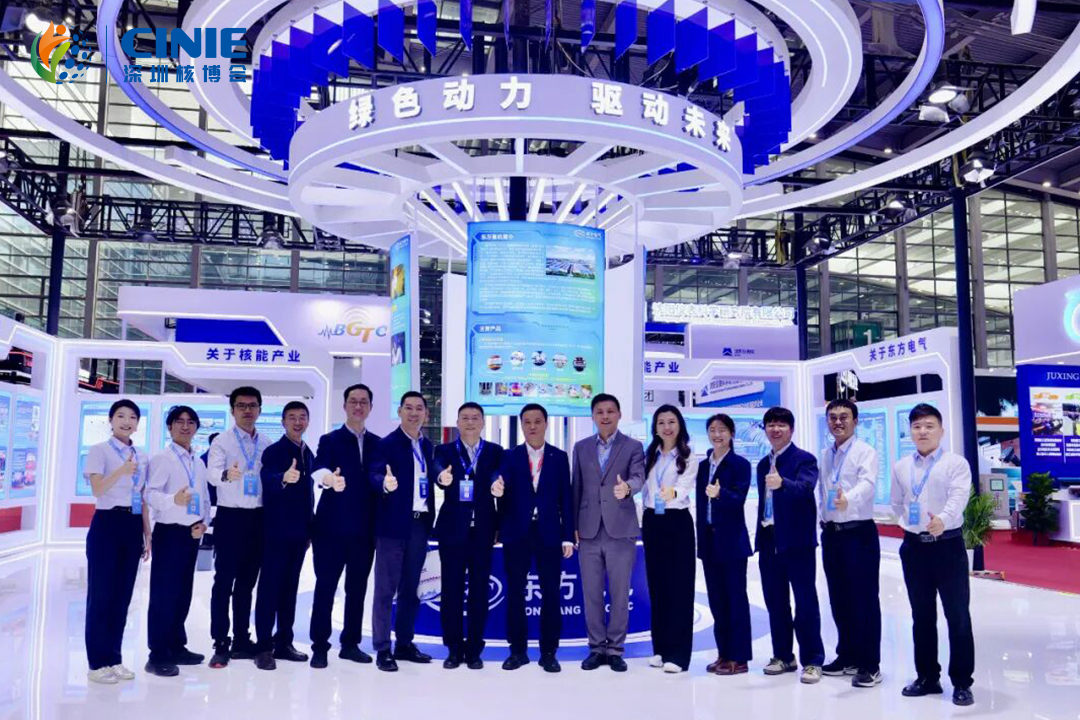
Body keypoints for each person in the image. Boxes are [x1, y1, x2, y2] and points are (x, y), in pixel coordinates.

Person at [890, 403, 975, 707]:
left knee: (957, 616)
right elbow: (896, 503)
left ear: (941, 430)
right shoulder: (901, 467)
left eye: (929, 426)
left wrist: (943, 519)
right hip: (914, 549)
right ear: (910, 432)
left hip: (948, 546)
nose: (923, 431)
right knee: (921, 616)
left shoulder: (956, 464)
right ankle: (927, 677)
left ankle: (962, 682)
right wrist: (908, 525)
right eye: (917, 426)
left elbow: (959, 497)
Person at [492, 403, 574, 673]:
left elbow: (566, 498)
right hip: (517, 534)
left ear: (546, 424)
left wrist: (568, 536)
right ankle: (517, 651)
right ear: (521, 425)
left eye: (537, 421)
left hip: (549, 534)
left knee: (551, 593)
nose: (532, 426)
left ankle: (549, 652)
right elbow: (499, 479)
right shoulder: (510, 456)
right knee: (515, 593)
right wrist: (496, 485)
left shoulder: (559, 457)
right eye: (527, 422)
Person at [308, 384, 381, 669]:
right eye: (353, 401)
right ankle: (320, 646)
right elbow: (319, 469)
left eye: (364, 402)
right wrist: (330, 480)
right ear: (345, 405)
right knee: (325, 588)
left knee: (357, 589)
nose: (358, 406)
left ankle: (350, 644)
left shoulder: (378, 444)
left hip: (364, 531)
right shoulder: (330, 440)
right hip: (331, 530)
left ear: (370, 407)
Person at [572, 393, 645, 673]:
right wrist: (573, 527)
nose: (605, 416)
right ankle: (595, 648)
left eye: (610, 411)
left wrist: (627, 488)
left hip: (620, 529)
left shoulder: (633, 446)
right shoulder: (581, 447)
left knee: (619, 593)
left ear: (619, 415)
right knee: (591, 593)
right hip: (588, 530)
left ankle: (615, 649)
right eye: (600, 412)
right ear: (593, 416)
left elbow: (638, 477)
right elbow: (576, 487)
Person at [83, 399, 151, 684]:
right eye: (121, 416)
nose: (127, 421)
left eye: (132, 417)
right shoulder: (99, 451)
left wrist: (147, 533)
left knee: (123, 597)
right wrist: (121, 471)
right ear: (111, 421)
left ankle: (114, 657)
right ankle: (97, 663)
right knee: (101, 596)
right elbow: (97, 489)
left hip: (132, 525)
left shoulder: (141, 455)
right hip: (107, 524)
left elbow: (142, 496)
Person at [368, 391, 437, 672]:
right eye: (408, 408)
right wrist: (383, 483)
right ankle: (383, 648)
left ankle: (405, 644)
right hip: (392, 526)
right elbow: (372, 475)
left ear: (426, 414)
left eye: (419, 408)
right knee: (386, 589)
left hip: (420, 525)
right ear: (399, 412)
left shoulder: (428, 446)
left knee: (411, 589)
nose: (413, 413)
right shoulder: (386, 444)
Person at [756, 406, 825, 684]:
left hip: (797, 543)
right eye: (770, 424)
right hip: (769, 539)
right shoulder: (763, 463)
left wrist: (782, 483)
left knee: (805, 603)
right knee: (775, 602)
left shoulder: (804, 459)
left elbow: (806, 490)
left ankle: (813, 660)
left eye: (781, 424)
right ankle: (783, 655)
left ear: (791, 429)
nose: (775, 429)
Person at [433, 402, 504, 670]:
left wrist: (497, 482)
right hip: (452, 532)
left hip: (483, 532)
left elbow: (498, 473)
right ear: (457, 422)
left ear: (483, 422)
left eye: (475, 418)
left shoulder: (494, 451)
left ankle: (474, 649)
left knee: (479, 592)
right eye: (465, 418)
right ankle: (453, 648)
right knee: (451, 591)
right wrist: (442, 477)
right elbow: (437, 468)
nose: (470, 422)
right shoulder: (445, 450)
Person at [818, 399, 882, 688]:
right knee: (839, 599)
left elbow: (868, 484)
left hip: (858, 533)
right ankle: (847, 656)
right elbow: (823, 490)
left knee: (864, 600)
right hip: (832, 535)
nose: (838, 422)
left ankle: (870, 664)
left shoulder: (865, 452)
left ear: (856, 421)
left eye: (844, 417)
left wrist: (849, 499)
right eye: (832, 417)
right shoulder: (825, 454)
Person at [206, 386, 270, 668]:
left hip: (258, 519)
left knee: (247, 583)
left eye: (252, 405)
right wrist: (226, 474)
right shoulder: (222, 441)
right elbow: (211, 473)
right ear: (232, 410)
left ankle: (242, 639)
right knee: (223, 582)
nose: (247, 410)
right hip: (230, 518)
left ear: (259, 410)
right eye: (241, 405)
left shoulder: (266, 442)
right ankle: (221, 641)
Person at [144, 406, 210, 677]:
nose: (185, 426)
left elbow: (205, 497)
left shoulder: (198, 461)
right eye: (179, 422)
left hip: (191, 534)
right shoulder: (163, 458)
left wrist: (204, 524)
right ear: (169, 427)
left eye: (191, 422)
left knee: (183, 593)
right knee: (164, 595)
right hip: (169, 533)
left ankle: (176, 646)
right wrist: (173, 500)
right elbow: (150, 494)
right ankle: (157, 654)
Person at [253, 402, 316, 671]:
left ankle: (284, 643)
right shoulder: (274, 451)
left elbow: (309, 495)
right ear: (283, 422)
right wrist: (283, 477)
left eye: (302, 417)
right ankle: (263, 647)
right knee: (270, 589)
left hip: (299, 534)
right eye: (292, 417)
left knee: (290, 589)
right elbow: (267, 480)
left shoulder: (308, 452)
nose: (297, 422)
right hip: (276, 533)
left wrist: (310, 529)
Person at [696, 413, 753, 676]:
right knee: (717, 601)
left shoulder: (740, 464)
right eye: (712, 430)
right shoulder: (702, 466)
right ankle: (724, 653)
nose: (717, 434)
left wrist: (721, 493)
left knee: (736, 600)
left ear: (731, 434)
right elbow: (700, 505)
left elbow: (739, 498)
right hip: (709, 542)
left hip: (732, 543)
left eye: (722, 430)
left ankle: (739, 658)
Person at [640, 404, 696, 673]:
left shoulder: (688, 456)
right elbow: (643, 487)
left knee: (679, 588)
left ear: (679, 424)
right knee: (657, 587)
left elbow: (684, 487)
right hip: (652, 521)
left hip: (677, 522)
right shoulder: (649, 455)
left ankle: (679, 655)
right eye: (661, 422)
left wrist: (671, 493)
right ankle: (660, 649)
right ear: (655, 428)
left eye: (671, 421)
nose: (666, 427)